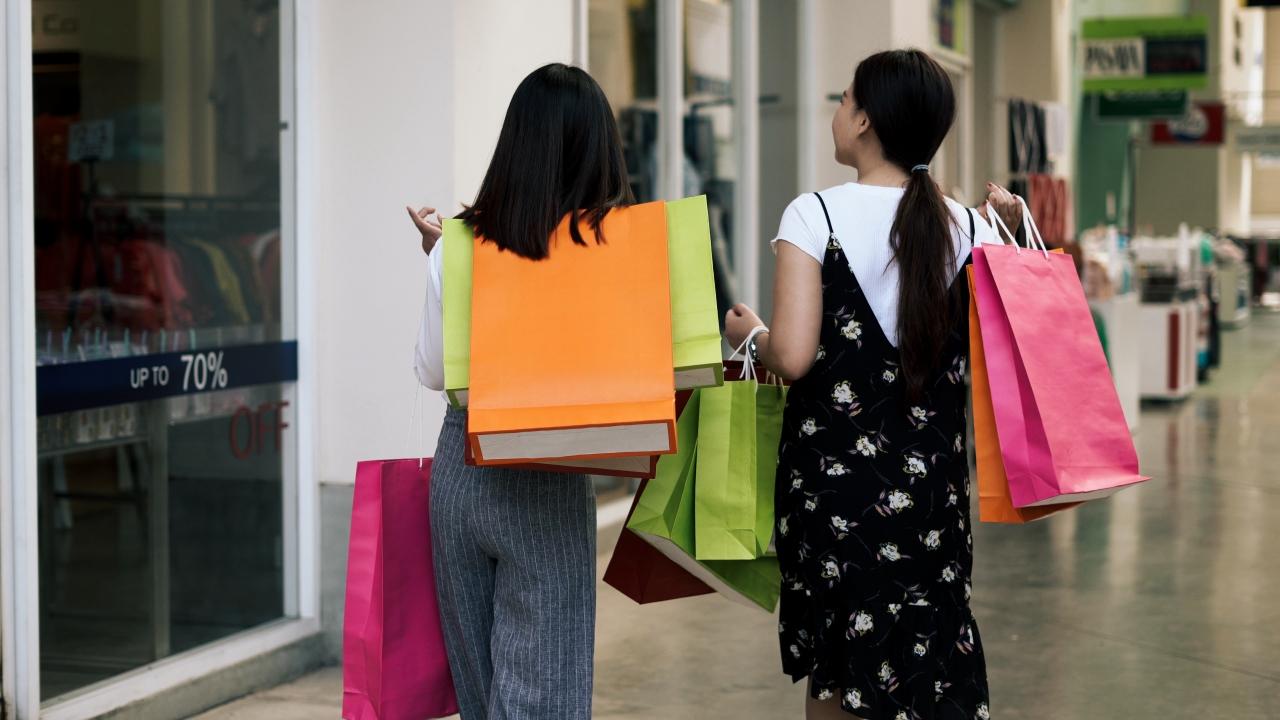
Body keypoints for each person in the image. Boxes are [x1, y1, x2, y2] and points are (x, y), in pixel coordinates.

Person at [724, 49, 1022, 720]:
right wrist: (1008, 232)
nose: (837, 110)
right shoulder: (970, 227)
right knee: (926, 662)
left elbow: (792, 357)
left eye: (843, 98)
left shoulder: (813, 216)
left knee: (836, 673)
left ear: (864, 120)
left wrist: (750, 333)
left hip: (834, 501)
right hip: (932, 499)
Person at [407, 62, 633, 720]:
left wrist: (443, 261)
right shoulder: (610, 251)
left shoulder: (459, 245)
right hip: (548, 472)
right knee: (544, 696)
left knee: (481, 696)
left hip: (461, 470)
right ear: (596, 149)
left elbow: (432, 372)